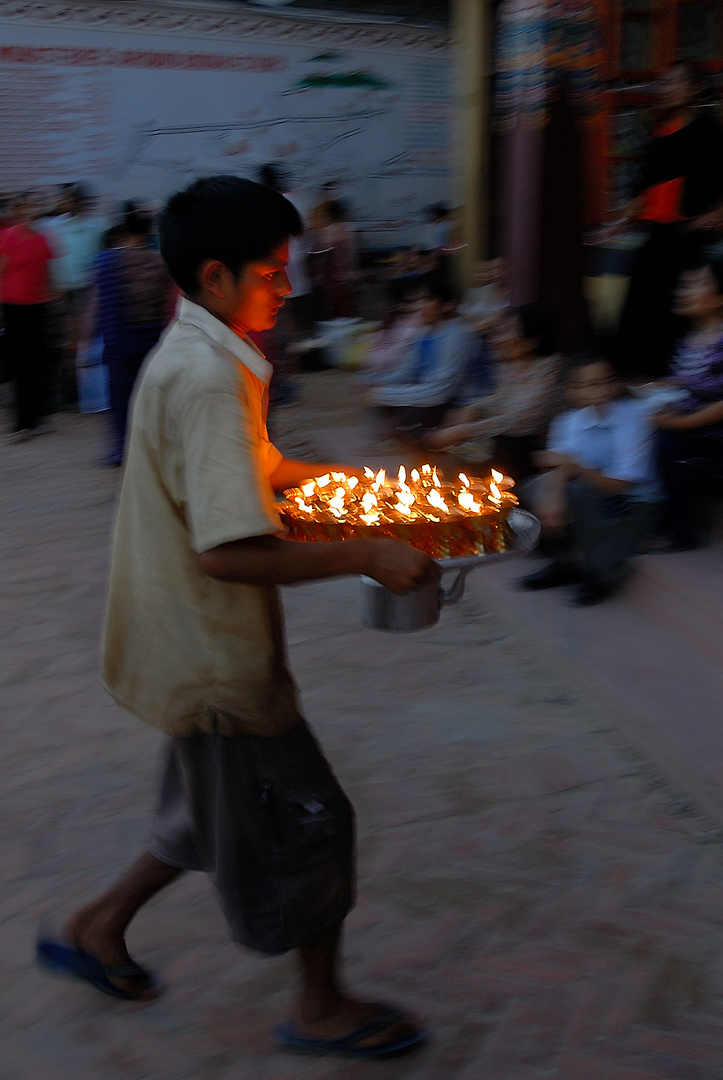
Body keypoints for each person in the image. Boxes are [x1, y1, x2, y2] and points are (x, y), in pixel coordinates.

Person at [35, 175, 435, 1059]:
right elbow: (224, 550)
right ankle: (321, 1005)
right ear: (214, 275)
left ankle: (96, 926)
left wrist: (349, 490)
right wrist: (368, 553)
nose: (285, 289)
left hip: (179, 640)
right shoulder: (212, 376)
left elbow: (246, 471)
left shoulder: (200, 348)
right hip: (215, 656)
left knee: (201, 812)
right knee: (314, 824)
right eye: (271, 272)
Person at [519, 357, 661, 605]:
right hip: (597, 491)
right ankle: (565, 563)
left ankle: (602, 574)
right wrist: (552, 500)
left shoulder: (632, 418)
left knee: (577, 490)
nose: (599, 390)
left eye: (603, 382)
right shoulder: (569, 421)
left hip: (634, 501)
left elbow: (621, 484)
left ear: (615, 384)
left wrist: (574, 467)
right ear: (571, 391)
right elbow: (558, 467)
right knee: (535, 488)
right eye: (586, 384)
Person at [614, 61, 723, 380]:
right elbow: (644, 182)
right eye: (665, 83)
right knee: (641, 298)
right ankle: (638, 373)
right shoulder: (659, 130)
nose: (668, 89)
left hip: (689, 233)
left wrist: (715, 214)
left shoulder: (709, 131)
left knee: (675, 303)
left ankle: (677, 372)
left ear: (695, 88)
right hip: (658, 230)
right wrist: (627, 212)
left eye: (676, 82)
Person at [426, 305, 561, 481]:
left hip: (535, 449)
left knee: (505, 445)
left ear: (531, 340)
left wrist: (466, 430)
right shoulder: (511, 365)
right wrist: (473, 408)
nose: (496, 340)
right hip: (504, 437)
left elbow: (526, 419)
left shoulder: (552, 371)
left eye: (506, 332)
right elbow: (500, 400)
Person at [89, 202, 174, 465]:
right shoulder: (159, 262)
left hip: (121, 336)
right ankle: (154, 448)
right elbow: (167, 303)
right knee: (151, 395)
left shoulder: (108, 260)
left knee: (121, 397)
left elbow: (97, 302)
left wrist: (88, 334)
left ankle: (122, 449)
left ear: (124, 228)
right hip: (152, 335)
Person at [654, 260, 723, 550]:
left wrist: (676, 422)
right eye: (684, 284)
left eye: (695, 284)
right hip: (694, 433)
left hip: (715, 441)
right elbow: (686, 383)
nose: (683, 291)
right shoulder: (689, 340)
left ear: (720, 298)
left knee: (670, 444)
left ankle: (682, 533)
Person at [366, 276, 472, 441]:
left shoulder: (457, 335)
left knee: (408, 416)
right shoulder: (424, 332)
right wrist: (377, 382)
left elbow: (441, 390)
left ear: (447, 305)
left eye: (428, 299)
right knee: (379, 397)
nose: (420, 306)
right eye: (419, 300)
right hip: (428, 393)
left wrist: (385, 394)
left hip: (455, 401)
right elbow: (408, 370)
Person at [0, 192, 56, 439]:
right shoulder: (9, 236)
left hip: (38, 305)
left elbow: (47, 273)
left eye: (34, 206)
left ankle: (36, 419)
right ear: (19, 211)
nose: (30, 211)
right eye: (26, 207)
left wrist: (52, 296)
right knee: (20, 363)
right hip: (13, 306)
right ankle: (22, 423)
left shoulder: (43, 239)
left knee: (37, 362)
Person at [46, 183, 106, 406]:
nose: (66, 203)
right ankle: (67, 393)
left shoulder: (96, 226)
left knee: (85, 342)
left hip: (86, 290)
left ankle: (86, 393)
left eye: (70, 199)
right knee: (64, 341)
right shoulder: (53, 226)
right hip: (61, 291)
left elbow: (100, 258)